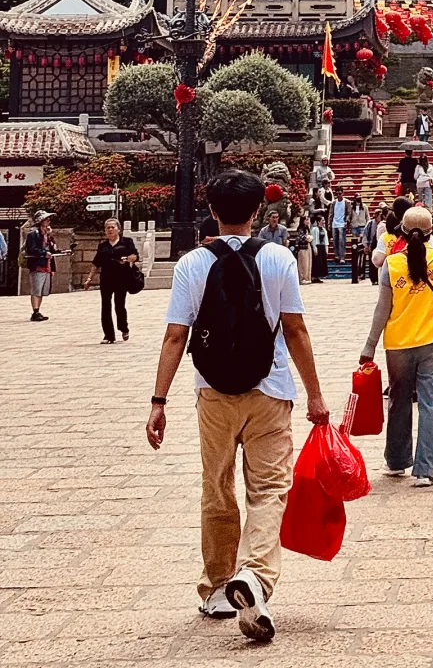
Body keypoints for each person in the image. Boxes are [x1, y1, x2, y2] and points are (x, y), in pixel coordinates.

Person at [146, 168, 329, 642]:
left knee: (217, 486)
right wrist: (314, 393)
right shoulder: (278, 258)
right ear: (256, 212)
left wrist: (158, 400)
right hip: (271, 390)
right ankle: (255, 575)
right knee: (269, 489)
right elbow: (295, 330)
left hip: (212, 391)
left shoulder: (191, 264)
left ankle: (216, 587)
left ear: (211, 212)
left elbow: (175, 336)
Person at [359, 206, 433, 486]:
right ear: (431, 233)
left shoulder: (392, 264)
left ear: (401, 231)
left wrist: (369, 346)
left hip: (398, 344)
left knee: (399, 402)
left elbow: (382, 309)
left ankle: (397, 460)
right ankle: (426, 469)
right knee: (432, 405)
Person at [84, 217, 139, 344]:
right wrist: (89, 279)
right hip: (106, 279)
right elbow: (96, 263)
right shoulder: (103, 246)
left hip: (122, 278)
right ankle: (108, 335)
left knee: (119, 305)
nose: (110, 230)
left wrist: (126, 259)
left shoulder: (127, 242)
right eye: (107, 228)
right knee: (105, 306)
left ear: (118, 229)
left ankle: (123, 328)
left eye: (112, 227)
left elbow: (135, 256)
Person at [24, 210, 59, 322]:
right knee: (36, 289)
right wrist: (44, 253)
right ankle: (35, 311)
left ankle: (38, 310)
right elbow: (32, 249)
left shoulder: (47, 235)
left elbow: (53, 250)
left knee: (43, 290)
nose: (48, 221)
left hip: (47, 265)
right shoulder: (33, 235)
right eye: (46, 219)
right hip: (37, 264)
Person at [292, 213, 313, 285]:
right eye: (306, 220)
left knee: (308, 263)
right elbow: (300, 237)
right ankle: (302, 278)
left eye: (308, 220)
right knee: (303, 263)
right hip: (302, 247)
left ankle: (307, 277)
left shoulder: (307, 228)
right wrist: (307, 238)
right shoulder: (301, 229)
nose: (308, 221)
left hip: (307, 246)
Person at [310, 212, 329, 283]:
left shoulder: (324, 229)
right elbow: (314, 239)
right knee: (316, 262)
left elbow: (326, 239)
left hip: (322, 246)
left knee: (321, 262)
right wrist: (314, 248)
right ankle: (314, 276)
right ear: (318, 221)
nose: (324, 222)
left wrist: (326, 248)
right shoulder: (315, 229)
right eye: (322, 220)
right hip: (317, 246)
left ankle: (318, 276)